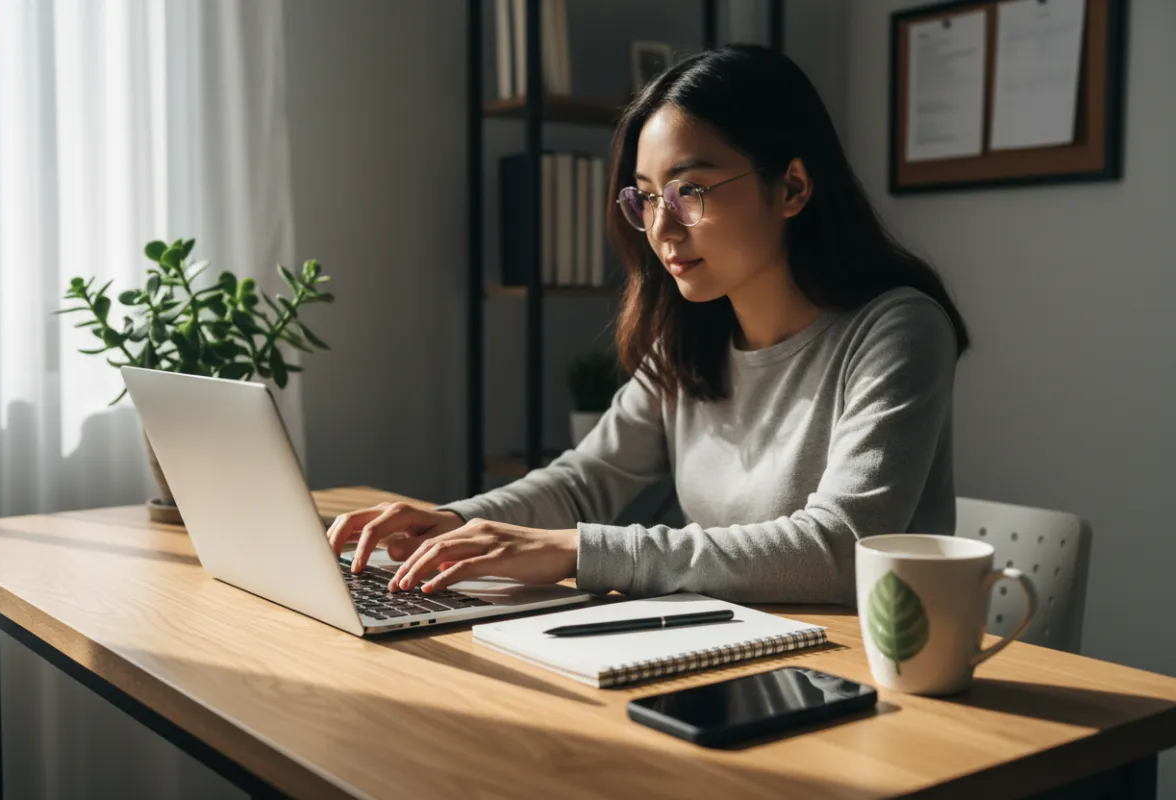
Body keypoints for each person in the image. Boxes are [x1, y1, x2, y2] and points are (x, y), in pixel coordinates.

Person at [327, 45, 969, 605]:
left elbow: (837, 550)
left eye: (691, 190)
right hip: (728, 647)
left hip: (864, 679)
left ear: (793, 187)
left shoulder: (898, 330)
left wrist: (580, 551)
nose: (661, 229)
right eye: (647, 196)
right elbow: (584, 482)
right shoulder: (691, 335)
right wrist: (449, 525)